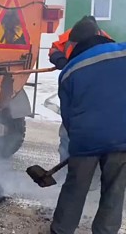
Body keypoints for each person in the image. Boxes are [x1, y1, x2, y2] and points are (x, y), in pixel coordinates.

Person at [50, 17, 126, 234]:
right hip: (122, 138)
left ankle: (61, 230)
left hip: (86, 141)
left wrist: (77, 143)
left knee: (75, 187)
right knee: (115, 189)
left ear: (74, 45)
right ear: (100, 36)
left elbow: (68, 117)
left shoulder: (70, 71)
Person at [48, 16, 111, 189]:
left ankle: (93, 182)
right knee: (67, 137)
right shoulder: (70, 35)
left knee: (96, 139)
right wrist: (61, 60)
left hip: (96, 93)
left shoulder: (105, 42)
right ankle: (66, 178)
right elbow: (54, 49)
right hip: (74, 84)